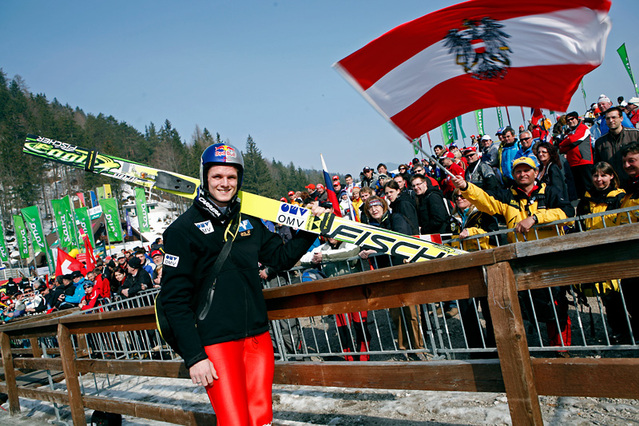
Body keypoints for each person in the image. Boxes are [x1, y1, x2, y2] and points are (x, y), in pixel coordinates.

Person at [159, 142, 321, 426]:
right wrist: (194, 356)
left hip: (256, 336)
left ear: (239, 179)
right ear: (205, 178)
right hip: (216, 342)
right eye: (217, 176)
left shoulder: (248, 219)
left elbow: (279, 257)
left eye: (231, 177)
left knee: (261, 417)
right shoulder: (182, 230)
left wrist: (310, 229)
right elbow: (174, 300)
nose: (225, 183)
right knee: (234, 421)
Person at [452, 157, 574, 348]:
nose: (522, 174)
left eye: (527, 170)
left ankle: (561, 348)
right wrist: (467, 186)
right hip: (519, 261)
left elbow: (567, 213)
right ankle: (524, 350)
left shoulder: (549, 192)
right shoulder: (506, 196)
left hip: (547, 258)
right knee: (521, 306)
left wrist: (535, 218)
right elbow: (486, 201)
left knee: (556, 304)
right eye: (518, 171)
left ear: (535, 173)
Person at [359, 196, 425, 357]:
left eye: (377, 206)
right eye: (370, 208)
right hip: (386, 272)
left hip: (402, 268)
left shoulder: (396, 217)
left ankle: (418, 347)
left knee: (411, 311)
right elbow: (365, 244)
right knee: (396, 313)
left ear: (383, 207)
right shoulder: (371, 226)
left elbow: (400, 238)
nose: (374, 209)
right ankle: (404, 348)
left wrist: (377, 250)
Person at [300, 237, 370, 361]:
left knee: (359, 323)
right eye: (327, 234)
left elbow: (350, 253)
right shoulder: (322, 248)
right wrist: (314, 259)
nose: (330, 236)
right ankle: (349, 357)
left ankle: (364, 354)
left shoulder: (350, 243)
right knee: (342, 326)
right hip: (336, 294)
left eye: (333, 232)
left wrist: (324, 257)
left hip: (355, 292)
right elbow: (302, 258)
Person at [594, 106, 639, 188]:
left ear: (621, 118)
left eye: (614, 117)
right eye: (608, 118)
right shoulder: (600, 142)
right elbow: (599, 165)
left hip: (634, 183)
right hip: (614, 186)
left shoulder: (635, 135)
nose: (611, 121)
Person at [558, 111, 594, 198]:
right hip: (573, 163)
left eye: (572, 119)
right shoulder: (568, 132)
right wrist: (564, 144)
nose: (570, 121)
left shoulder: (583, 128)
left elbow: (573, 140)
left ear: (577, 119)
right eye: (568, 120)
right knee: (579, 190)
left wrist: (563, 143)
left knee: (589, 188)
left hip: (584, 161)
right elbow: (562, 149)